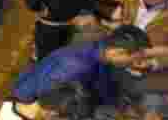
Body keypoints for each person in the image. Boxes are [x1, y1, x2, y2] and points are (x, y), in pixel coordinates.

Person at [12, 25, 152, 112]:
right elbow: (49, 104)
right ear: (118, 52)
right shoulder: (77, 66)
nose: (135, 63)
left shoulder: (100, 51)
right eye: (134, 59)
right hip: (31, 105)